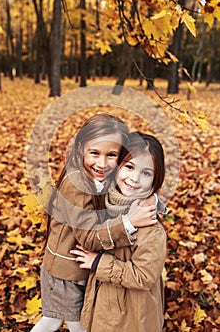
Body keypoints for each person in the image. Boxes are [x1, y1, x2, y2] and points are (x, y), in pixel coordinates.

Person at [31, 115, 158, 332]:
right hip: (66, 273)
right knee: (68, 323)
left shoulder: (101, 175)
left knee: (63, 320)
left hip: (81, 267)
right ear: (81, 148)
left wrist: (150, 198)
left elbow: (126, 189)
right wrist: (128, 222)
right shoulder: (77, 184)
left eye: (111, 155)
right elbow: (88, 237)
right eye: (95, 153)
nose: (102, 163)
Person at [71, 132, 168, 332]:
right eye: (129, 167)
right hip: (102, 309)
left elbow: (143, 276)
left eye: (146, 173)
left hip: (130, 318)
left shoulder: (151, 229)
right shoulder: (103, 203)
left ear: (156, 179)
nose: (134, 178)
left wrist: (98, 262)